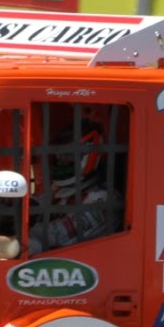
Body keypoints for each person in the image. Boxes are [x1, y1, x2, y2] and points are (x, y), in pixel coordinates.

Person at [27, 106, 126, 254]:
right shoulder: (61, 192)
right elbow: (36, 203)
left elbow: (58, 235)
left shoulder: (104, 200)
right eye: (58, 156)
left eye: (67, 157)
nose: (60, 161)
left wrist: (23, 234)